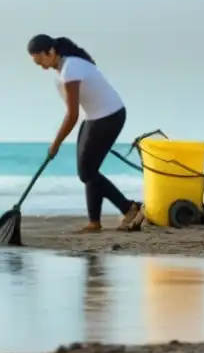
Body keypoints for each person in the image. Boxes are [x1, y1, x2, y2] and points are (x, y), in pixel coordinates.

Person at [27, 35, 145, 233]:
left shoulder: (70, 69)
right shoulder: (66, 67)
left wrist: (56, 143)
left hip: (109, 116)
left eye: (40, 61)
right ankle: (94, 222)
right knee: (87, 169)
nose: (41, 67)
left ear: (51, 52)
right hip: (94, 117)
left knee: (87, 171)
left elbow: (72, 115)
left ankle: (130, 208)